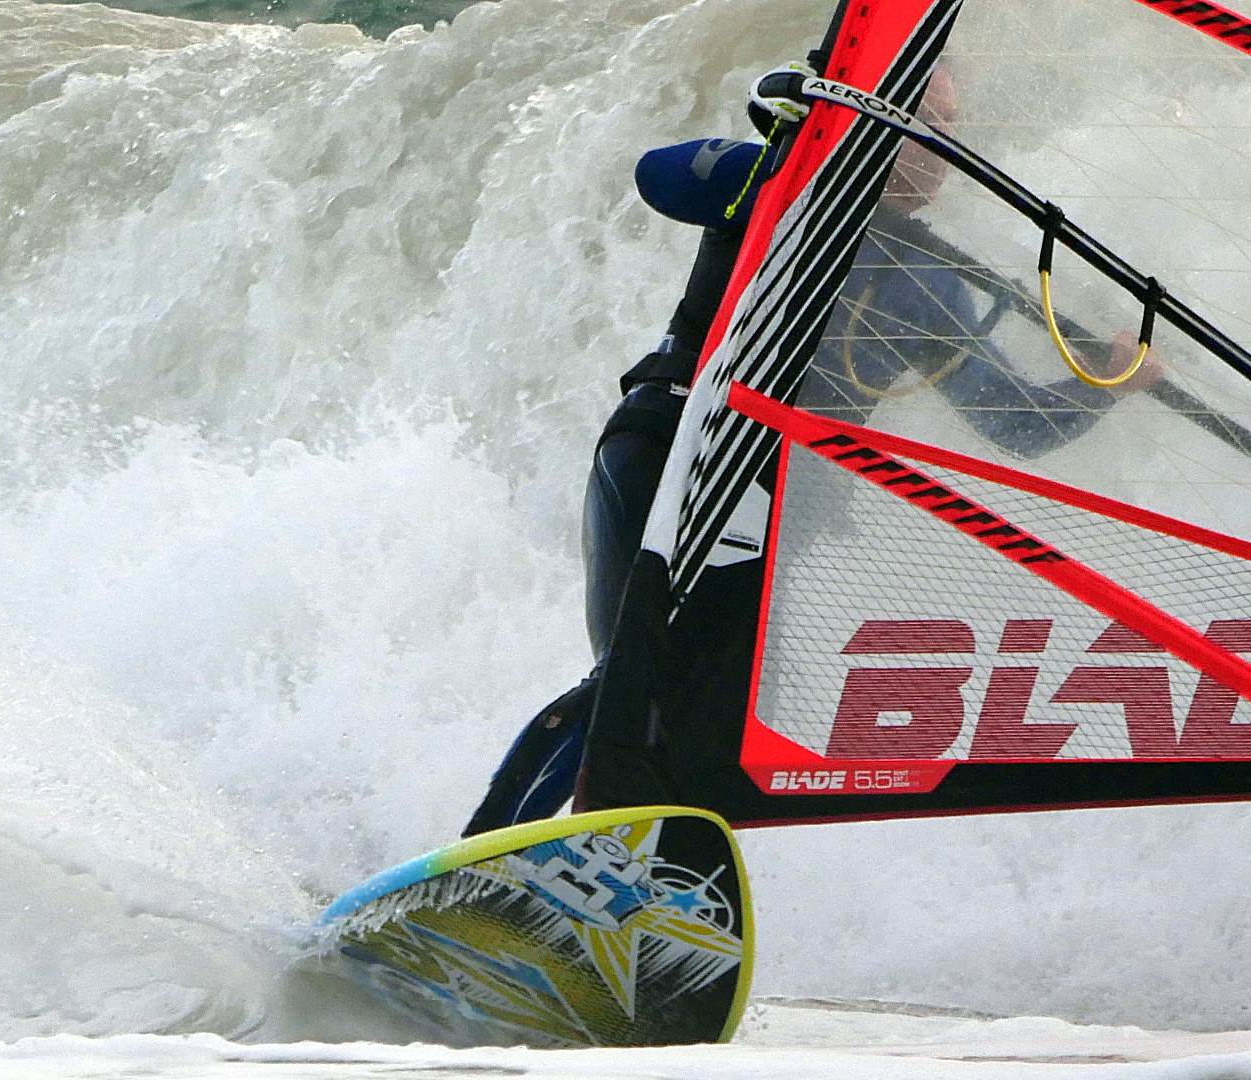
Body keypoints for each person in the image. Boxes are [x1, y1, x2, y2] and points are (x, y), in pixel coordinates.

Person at [461, 64, 1162, 837]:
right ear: (868, 121)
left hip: (764, 517)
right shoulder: (778, 189)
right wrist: (784, 147)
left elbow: (1015, 423)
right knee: (631, 682)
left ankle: (625, 875)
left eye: (951, 126)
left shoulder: (925, 280)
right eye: (925, 123)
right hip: (672, 459)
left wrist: (1109, 385)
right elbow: (658, 175)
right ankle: (489, 850)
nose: (943, 146)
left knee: (715, 725)